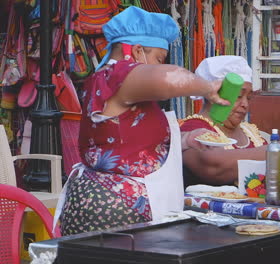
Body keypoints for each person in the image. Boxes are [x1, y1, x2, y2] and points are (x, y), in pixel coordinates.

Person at [57, 7, 229, 235]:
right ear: (138, 51)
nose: (159, 65)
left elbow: (136, 143)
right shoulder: (117, 74)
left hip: (117, 208)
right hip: (113, 210)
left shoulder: (121, 86)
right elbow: (166, 78)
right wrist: (208, 87)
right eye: (159, 58)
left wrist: (188, 139)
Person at [180, 56, 269, 187]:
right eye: (238, 96)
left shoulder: (250, 133)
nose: (245, 104)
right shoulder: (193, 129)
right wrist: (276, 150)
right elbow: (215, 167)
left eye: (249, 98)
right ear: (213, 94)